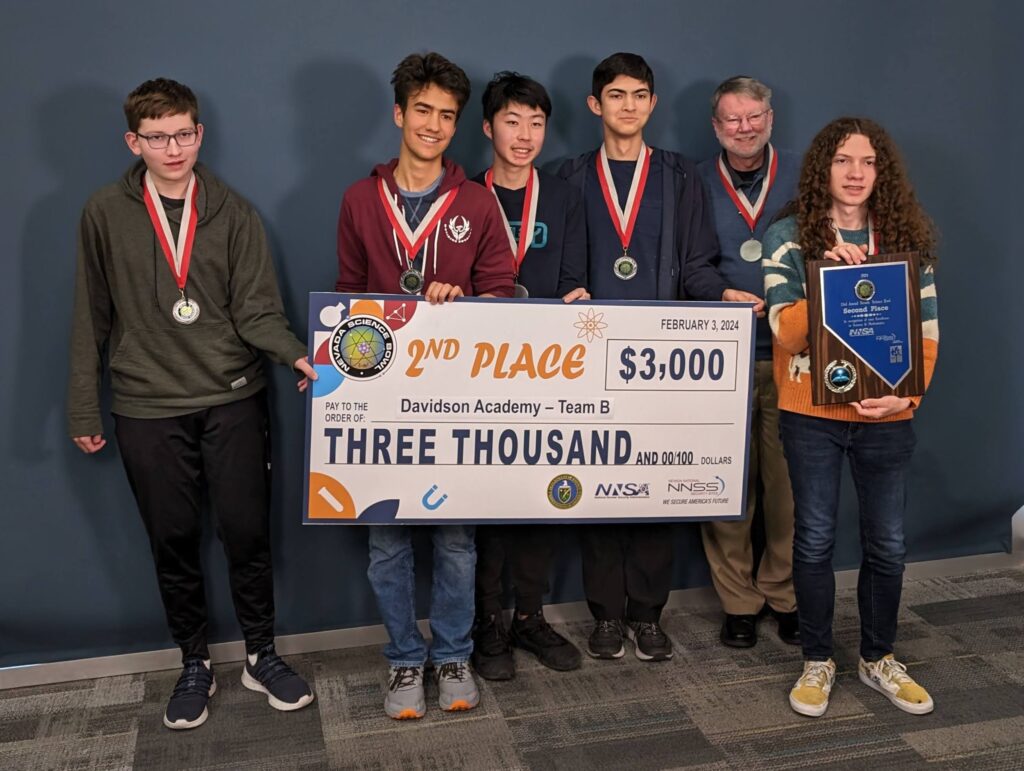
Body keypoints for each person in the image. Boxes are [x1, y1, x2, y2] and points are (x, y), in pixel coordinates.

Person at [67, 78, 316, 730]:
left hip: (233, 398)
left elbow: (258, 311)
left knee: (247, 535)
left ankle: (261, 654)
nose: (172, 147)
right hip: (146, 407)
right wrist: (83, 408)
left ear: (199, 135)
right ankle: (195, 662)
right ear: (134, 141)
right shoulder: (104, 212)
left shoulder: (233, 212)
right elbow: (89, 317)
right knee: (173, 541)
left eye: (183, 134)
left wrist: (296, 354)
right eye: (157, 136)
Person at [558, 52, 760, 662]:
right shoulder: (566, 177)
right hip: (589, 361)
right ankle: (606, 616)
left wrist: (721, 293)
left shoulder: (678, 177)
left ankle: (648, 615)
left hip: (660, 364)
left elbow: (697, 263)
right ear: (596, 105)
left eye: (639, 94)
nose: (627, 105)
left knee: (651, 485)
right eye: (615, 95)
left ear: (652, 103)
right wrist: (567, 290)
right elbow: (560, 264)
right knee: (596, 484)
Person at [335, 52, 514, 719]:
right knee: (387, 539)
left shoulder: (475, 202)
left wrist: (462, 296)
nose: (435, 125)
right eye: (424, 111)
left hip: (457, 395)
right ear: (399, 113)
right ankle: (405, 660)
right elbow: (347, 297)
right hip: (382, 398)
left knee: (456, 539)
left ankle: (454, 653)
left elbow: (502, 293)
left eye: (447, 115)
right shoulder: (360, 198)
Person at [762, 117, 939, 717]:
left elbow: (928, 336)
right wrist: (831, 281)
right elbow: (785, 334)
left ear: (880, 172)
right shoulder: (789, 235)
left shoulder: (904, 240)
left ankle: (877, 657)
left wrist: (906, 398)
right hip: (810, 413)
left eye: (867, 162)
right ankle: (817, 660)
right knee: (811, 542)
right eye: (843, 160)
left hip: (886, 416)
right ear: (823, 170)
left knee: (886, 545)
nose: (856, 172)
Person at [469, 71, 588, 680]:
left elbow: (571, 277)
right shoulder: (463, 195)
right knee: (488, 504)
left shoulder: (565, 197)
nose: (524, 135)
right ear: (488, 127)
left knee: (544, 496)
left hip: (548, 372)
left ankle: (530, 616)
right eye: (511, 122)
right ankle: (486, 623)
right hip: (481, 374)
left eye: (536, 123)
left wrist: (574, 297)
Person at [697, 76, 800, 649]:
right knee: (724, 490)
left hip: (793, 356)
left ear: (770, 117)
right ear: (717, 127)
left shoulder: (804, 176)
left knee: (787, 490)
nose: (745, 128)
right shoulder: (692, 180)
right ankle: (738, 602)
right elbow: (686, 261)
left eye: (754, 116)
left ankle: (784, 595)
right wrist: (718, 292)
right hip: (724, 355)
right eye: (733, 120)